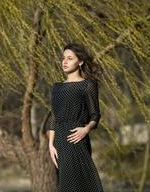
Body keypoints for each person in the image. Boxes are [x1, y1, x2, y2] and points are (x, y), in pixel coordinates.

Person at [47, 42, 104, 192]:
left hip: (76, 137)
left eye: (70, 58)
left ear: (80, 62)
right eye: (63, 58)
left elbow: (95, 114)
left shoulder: (88, 85)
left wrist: (86, 130)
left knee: (80, 183)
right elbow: (54, 115)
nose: (64, 62)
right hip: (59, 141)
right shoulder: (56, 87)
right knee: (65, 185)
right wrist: (51, 144)